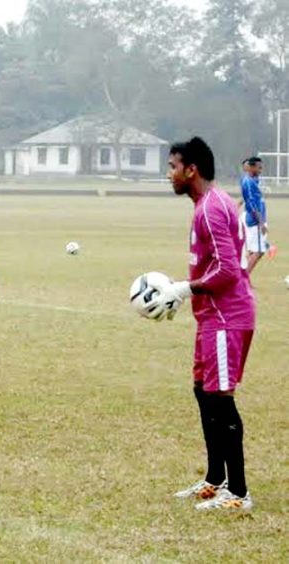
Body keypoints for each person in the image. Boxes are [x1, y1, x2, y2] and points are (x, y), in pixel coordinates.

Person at [146, 137, 255, 511]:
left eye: (173, 167)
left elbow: (226, 270)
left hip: (227, 317)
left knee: (221, 400)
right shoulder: (209, 204)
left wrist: (183, 288)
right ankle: (215, 478)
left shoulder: (210, 208)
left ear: (191, 169)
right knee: (201, 389)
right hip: (212, 317)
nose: (169, 174)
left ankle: (238, 493)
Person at [240, 156, 269, 275]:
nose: (261, 170)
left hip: (257, 219)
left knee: (254, 251)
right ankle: (243, 280)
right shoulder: (248, 182)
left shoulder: (253, 179)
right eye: (259, 168)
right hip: (255, 221)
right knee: (260, 251)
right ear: (251, 167)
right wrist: (261, 222)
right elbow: (252, 204)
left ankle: (243, 277)